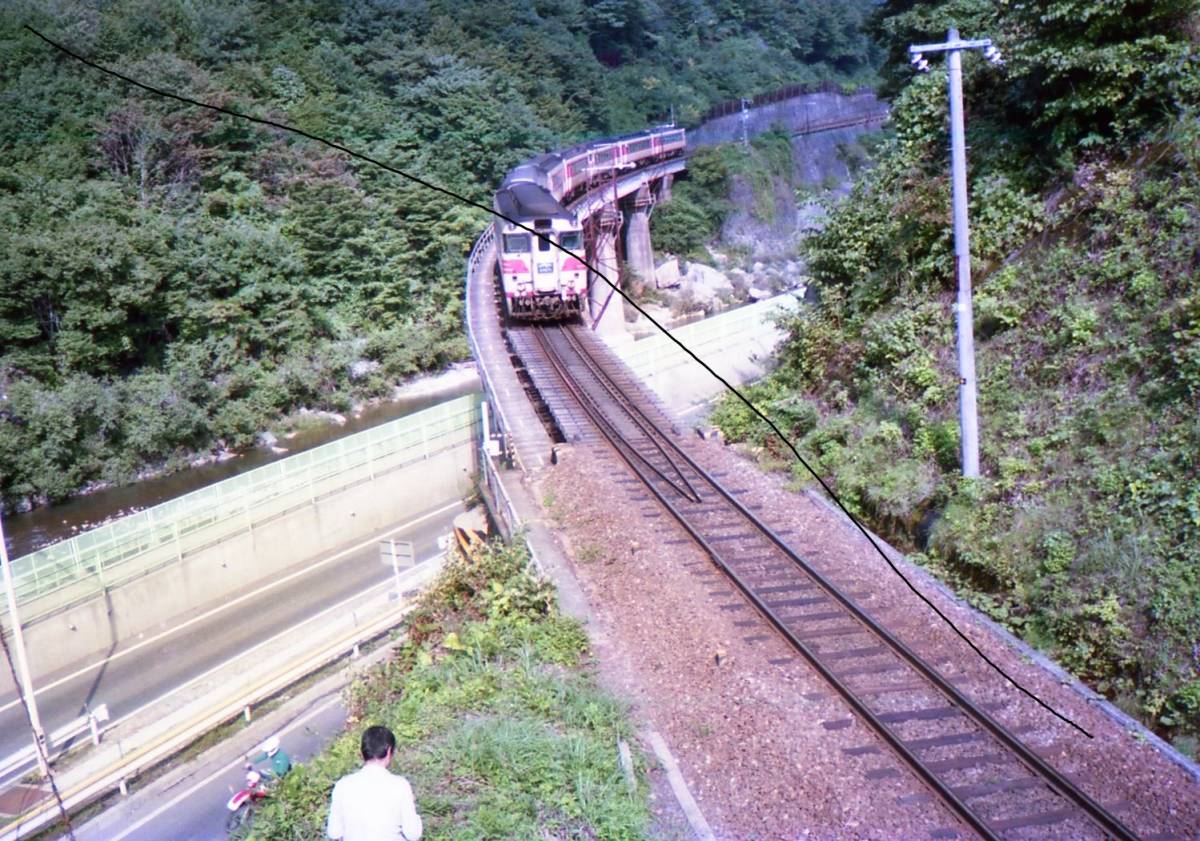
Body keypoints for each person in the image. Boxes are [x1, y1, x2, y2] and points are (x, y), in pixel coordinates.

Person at [327, 725, 422, 841]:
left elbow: (334, 833)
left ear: (362, 752)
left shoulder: (342, 786)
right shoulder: (400, 785)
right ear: (389, 751)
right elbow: (413, 834)